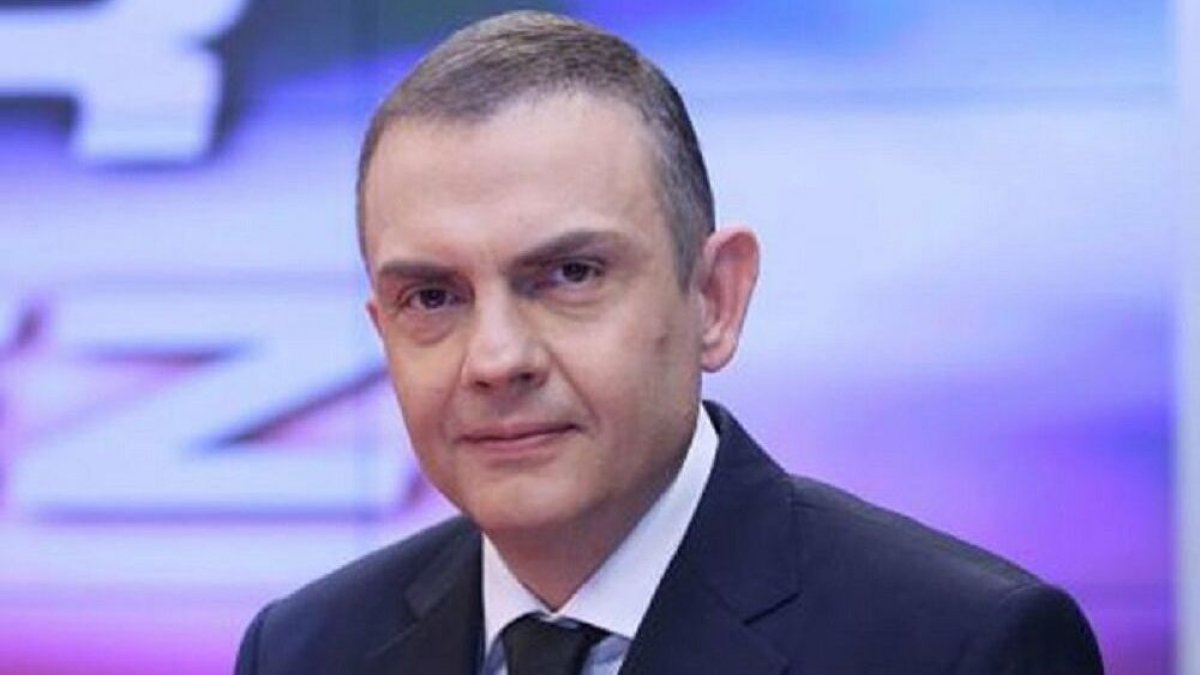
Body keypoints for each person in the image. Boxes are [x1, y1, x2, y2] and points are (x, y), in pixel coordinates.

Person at [235, 10, 1104, 675]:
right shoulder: (305, 650)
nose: (496, 359)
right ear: (383, 333)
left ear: (715, 298)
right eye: (433, 296)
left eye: (569, 274)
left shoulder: (963, 647)